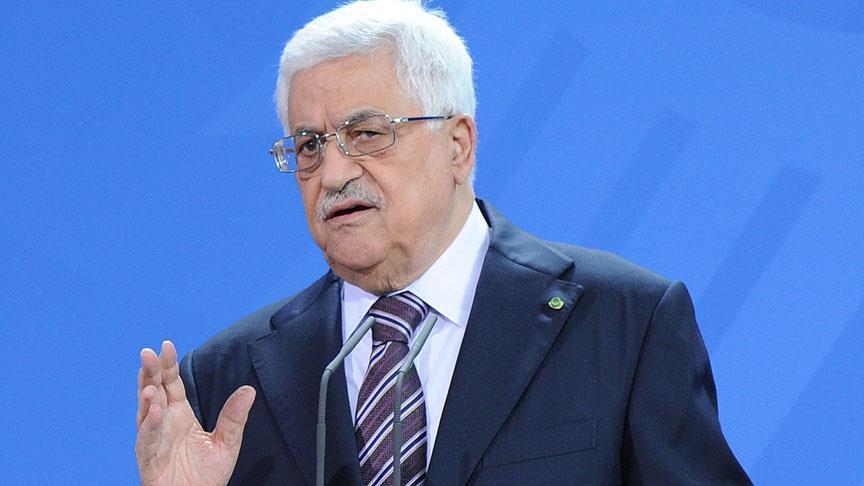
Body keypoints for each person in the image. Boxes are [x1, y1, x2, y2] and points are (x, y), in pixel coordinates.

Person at [135, 1, 751, 484]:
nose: (333, 173)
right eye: (309, 145)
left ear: (458, 145)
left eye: (367, 134)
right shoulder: (224, 378)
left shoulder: (623, 323)